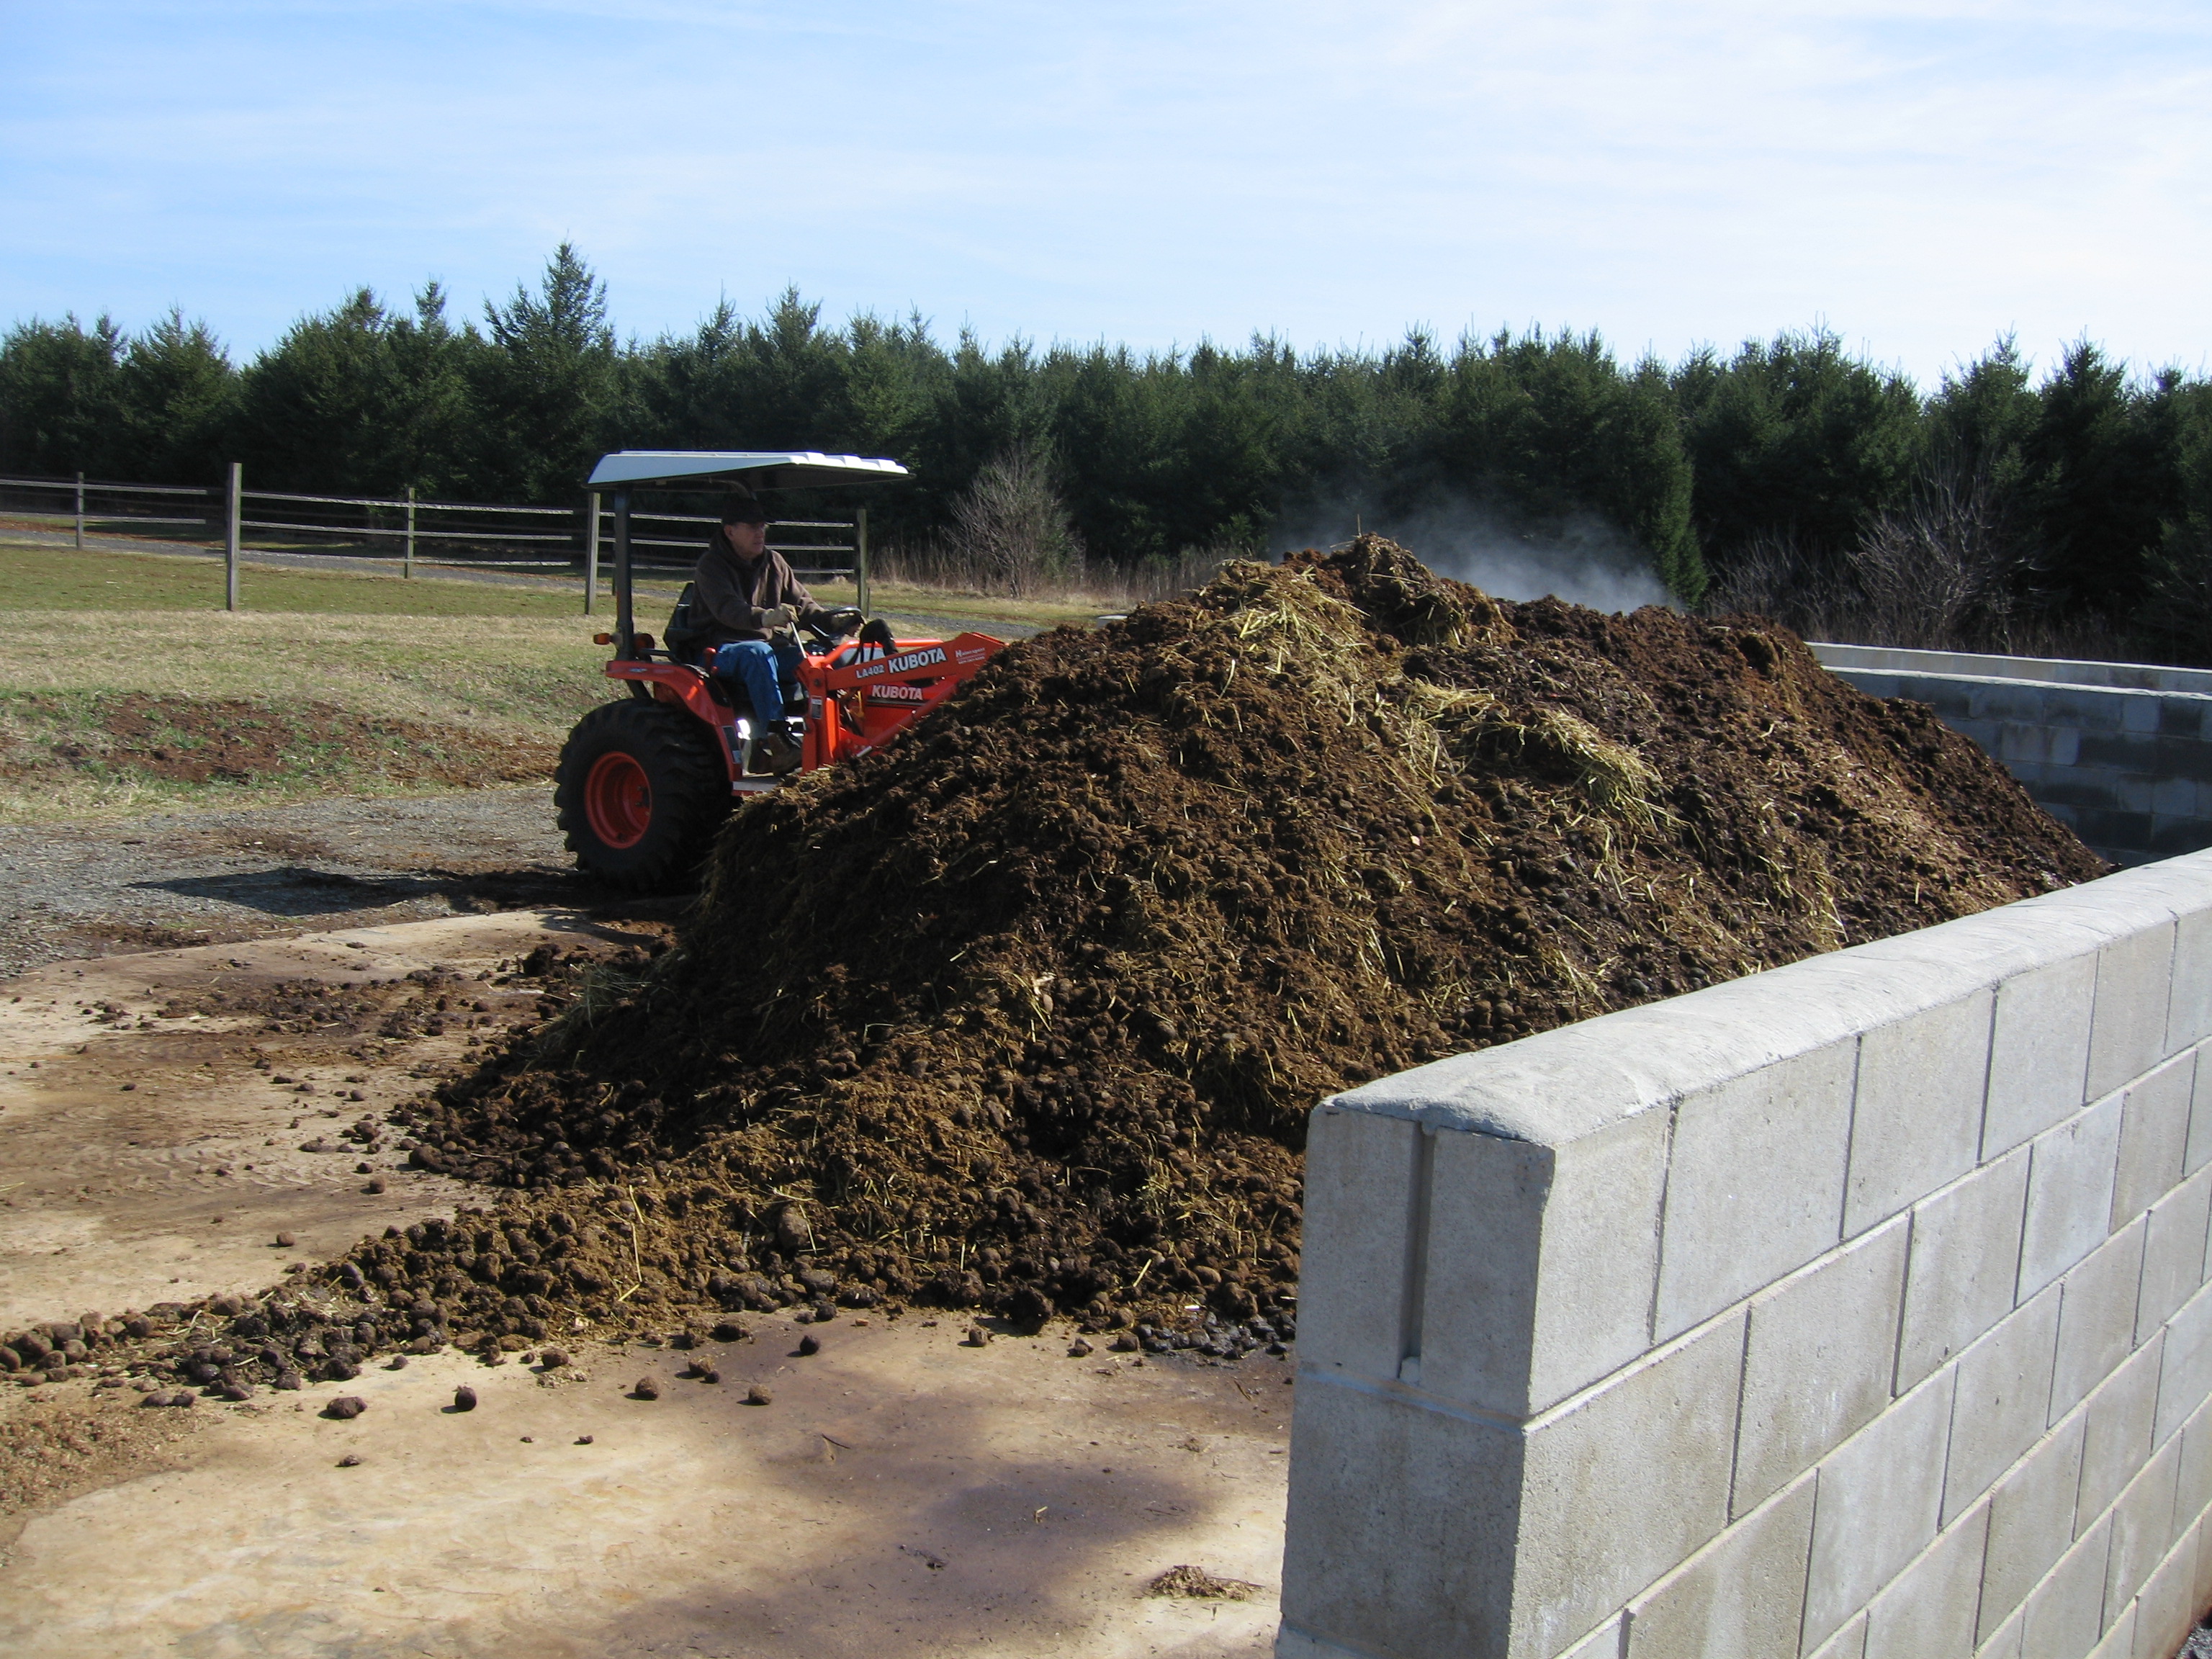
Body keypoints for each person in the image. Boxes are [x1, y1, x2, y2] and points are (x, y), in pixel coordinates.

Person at [692, 488, 848, 770]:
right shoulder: (711, 566)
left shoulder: (774, 562)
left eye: (762, 527)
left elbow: (803, 604)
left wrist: (832, 621)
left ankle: (838, 734)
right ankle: (777, 741)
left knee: (820, 660)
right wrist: (767, 618)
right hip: (721, 650)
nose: (760, 533)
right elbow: (728, 609)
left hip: (768, 650)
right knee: (757, 652)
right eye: (752, 527)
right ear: (730, 531)